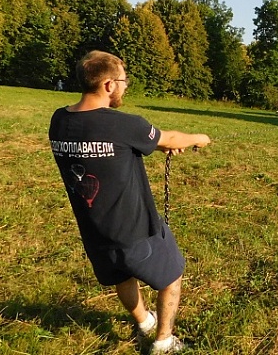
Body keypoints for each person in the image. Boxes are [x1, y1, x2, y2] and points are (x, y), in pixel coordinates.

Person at [48, 50, 210, 353]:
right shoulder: (124, 124)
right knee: (171, 277)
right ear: (108, 85)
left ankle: (144, 322)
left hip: (93, 229)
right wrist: (199, 138)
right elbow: (170, 138)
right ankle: (163, 340)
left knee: (120, 275)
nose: (125, 86)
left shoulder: (59, 121)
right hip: (135, 228)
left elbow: (108, 147)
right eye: (124, 80)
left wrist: (155, 147)